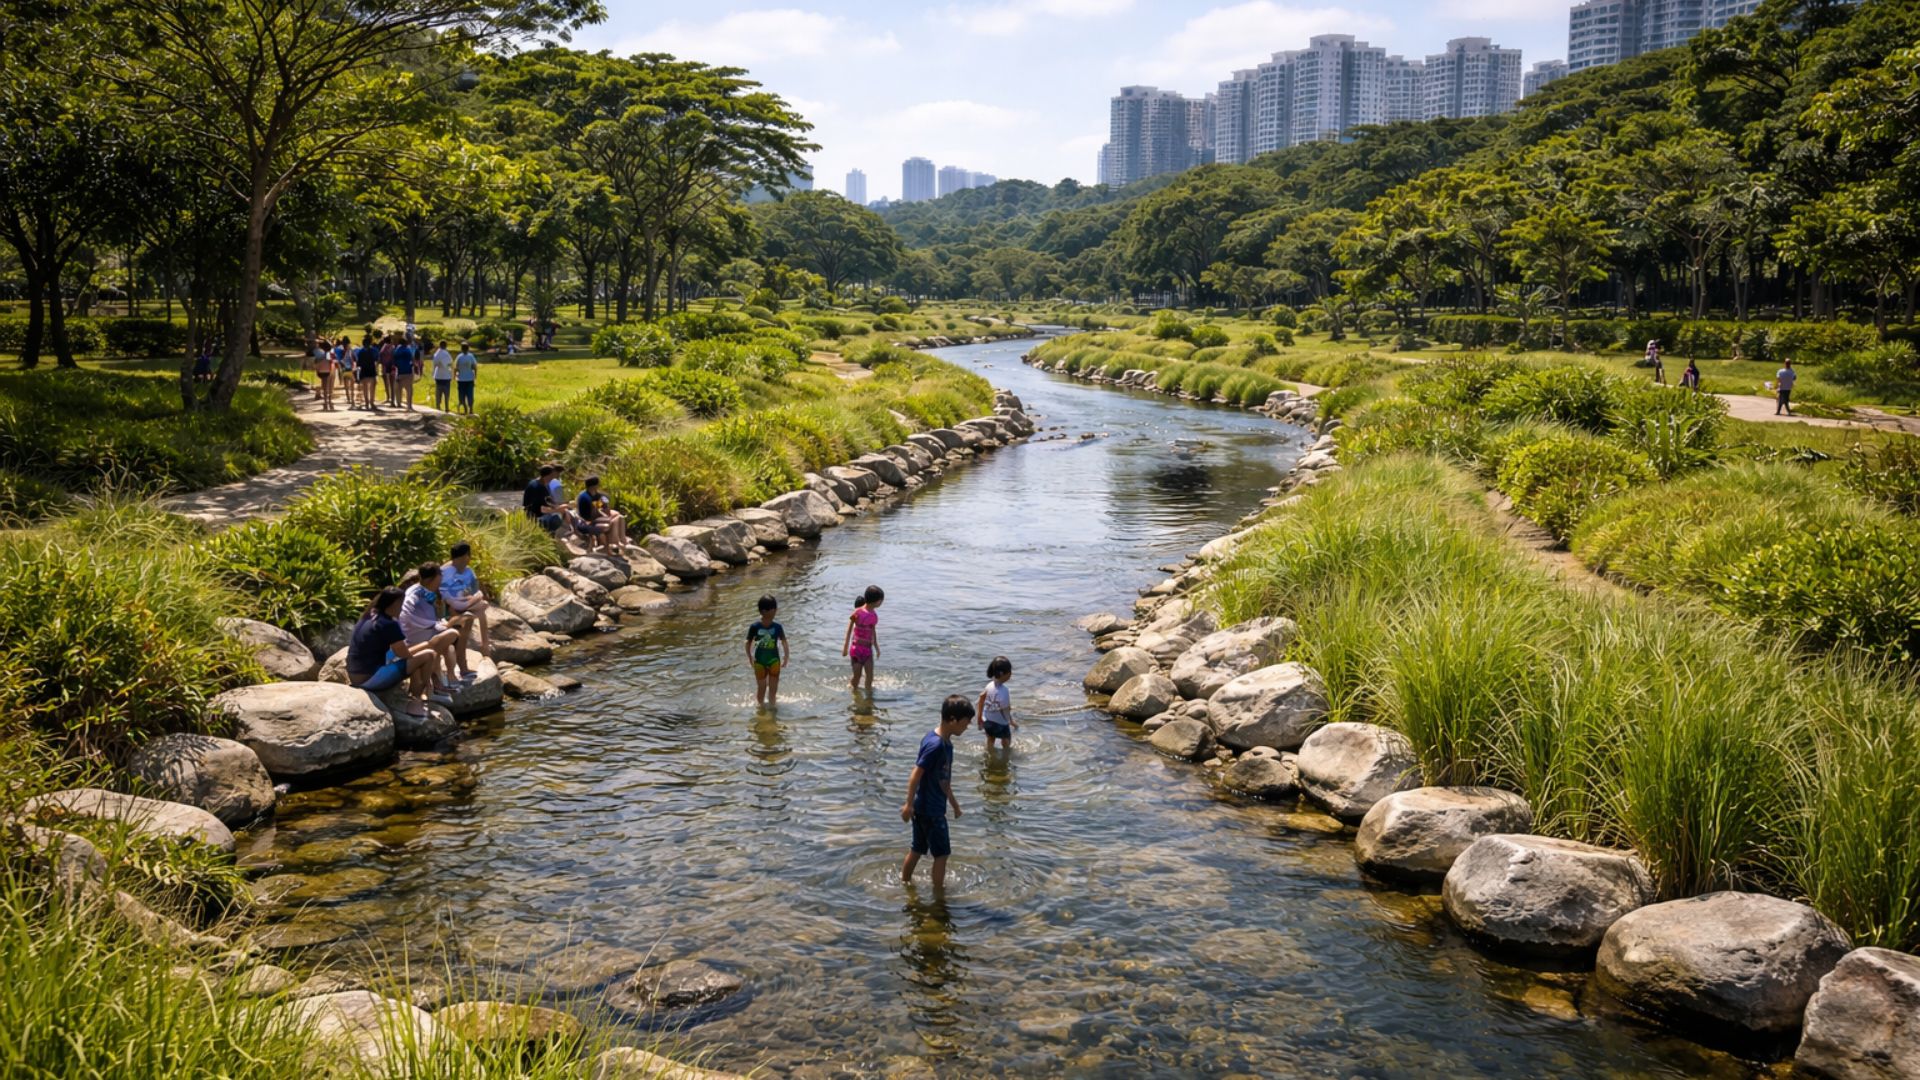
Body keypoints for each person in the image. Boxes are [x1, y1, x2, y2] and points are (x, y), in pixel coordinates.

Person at [900, 695, 972, 889]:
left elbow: (943, 780)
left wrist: (954, 805)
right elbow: (916, 774)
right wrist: (907, 804)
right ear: (952, 720)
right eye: (966, 723)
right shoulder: (937, 745)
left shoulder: (941, 742)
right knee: (941, 855)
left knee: (917, 849)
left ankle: (905, 884)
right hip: (931, 810)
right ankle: (939, 895)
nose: (967, 727)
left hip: (924, 807)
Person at [345, 587, 448, 718]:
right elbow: (403, 654)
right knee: (429, 655)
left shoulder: (370, 615)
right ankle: (419, 696)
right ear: (395, 604)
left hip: (355, 674)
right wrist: (417, 666)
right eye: (402, 604)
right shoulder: (388, 624)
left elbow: (398, 650)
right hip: (369, 679)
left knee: (424, 648)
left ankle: (420, 683)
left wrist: (422, 650)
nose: (403, 608)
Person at [399, 563, 472, 685]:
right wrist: (444, 625)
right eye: (438, 580)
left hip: (422, 630)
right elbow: (409, 616)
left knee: (450, 643)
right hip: (415, 634)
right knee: (453, 633)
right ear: (429, 579)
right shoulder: (417, 595)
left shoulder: (422, 591)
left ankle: (448, 675)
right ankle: (440, 679)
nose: (439, 583)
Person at [440, 542, 493, 659]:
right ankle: (483, 647)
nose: (469, 560)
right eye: (468, 556)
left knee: (481, 607)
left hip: (464, 602)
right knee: (472, 613)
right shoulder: (444, 571)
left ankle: (485, 646)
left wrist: (469, 596)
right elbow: (442, 594)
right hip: (450, 606)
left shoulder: (467, 570)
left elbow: (475, 588)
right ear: (465, 556)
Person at [746, 595, 789, 707]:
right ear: (764, 611)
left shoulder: (778, 627)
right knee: (761, 687)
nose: (776, 610)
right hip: (759, 662)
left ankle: (772, 708)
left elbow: (784, 641)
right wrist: (749, 656)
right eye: (774, 609)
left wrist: (786, 657)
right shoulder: (755, 626)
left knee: (773, 688)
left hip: (774, 661)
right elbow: (748, 642)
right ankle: (760, 708)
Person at [842, 585, 883, 692]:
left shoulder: (874, 616)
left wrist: (877, 647)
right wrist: (845, 647)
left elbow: (873, 631)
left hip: (868, 650)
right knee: (857, 676)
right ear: (877, 601)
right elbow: (850, 627)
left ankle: (869, 699)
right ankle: (853, 693)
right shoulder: (857, 612)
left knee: (870, 676)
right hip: (856, 649)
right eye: (881, 600)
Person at [575, 475, 627, 551]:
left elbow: (605, 508)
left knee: (620, 517)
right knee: (614, 520)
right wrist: (603, 512)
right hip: (587, 521)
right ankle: (615, 542)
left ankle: (622, 540)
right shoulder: (585, 497)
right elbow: (592, 514)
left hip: (596, 516)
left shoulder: (597, 495)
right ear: (594, 485)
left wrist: (604, 507)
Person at [976, 656, 1016, 751]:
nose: (1011, 673)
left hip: (987, 721)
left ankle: (990, 753)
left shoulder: (989, 685)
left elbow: (981, 698)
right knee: (1006, 739)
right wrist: (1011, 722)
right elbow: (1006, 710)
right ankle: (1005, 756)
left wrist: (979, 717)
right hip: (1000, 723)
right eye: (1009, 671)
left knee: (990, 738)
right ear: (1002, 674)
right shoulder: (1004, 691)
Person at [523, 465, 567, 533]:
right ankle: (548, 534)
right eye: (552, 476)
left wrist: (558, 505)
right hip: (535, 518)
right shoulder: (538, 487)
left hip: (535, 513)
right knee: (557, 519)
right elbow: (543, 509)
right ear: (547, 476)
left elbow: (547, 499)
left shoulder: (537, 483)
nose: (553, 478)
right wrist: (558, 509)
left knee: (562, 512)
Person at [356, 334, 381, 412]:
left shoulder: (360, 351)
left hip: (364, 371)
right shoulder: (374, 350)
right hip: (371, 370)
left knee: (365, 388)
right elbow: (377, 360)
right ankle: (371, 403)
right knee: (372, 388)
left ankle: (367, 403)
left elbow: (358, 363)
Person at [393, 334, 417, 412]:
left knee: (398, 388)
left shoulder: (396, 350)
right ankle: (409, 405)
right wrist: (414, 365)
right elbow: (412, 359)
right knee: (409, 389)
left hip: (399, 371)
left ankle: (398, 403)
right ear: (405, 343)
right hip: (408, 371)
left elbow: (394, 361)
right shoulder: (407, 350)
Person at [430, 340, 454, 412]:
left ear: (440, 345)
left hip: (438, 375)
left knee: (438, 392)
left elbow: (435, 364)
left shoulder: (436, 354)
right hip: (446, 376)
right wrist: (450, 372)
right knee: (446, 393)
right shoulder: (447, 354)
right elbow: (450, 364)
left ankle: (438, 406)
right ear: (445, 346)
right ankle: (446, 407)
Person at [313, 338, 337, 412]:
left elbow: (316, 362)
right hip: (331, 370)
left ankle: (326, 403)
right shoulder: (330, 354)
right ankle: (329, 401)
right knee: (330, 387)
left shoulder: (321, 355)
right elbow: (333, 361)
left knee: (325, 388)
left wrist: (317, 370)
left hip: (323, 371)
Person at [454, 342, 478, 415]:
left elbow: (456, 368)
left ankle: (465, 410)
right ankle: (471, 410)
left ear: (461, 349)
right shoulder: (471, 356)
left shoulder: (459, 357)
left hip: (461, 379)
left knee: (462, 395)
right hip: (470, 379)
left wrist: (454, 376)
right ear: (468, 348)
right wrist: (475, 376)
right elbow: (474, 367)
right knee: (470, 394)